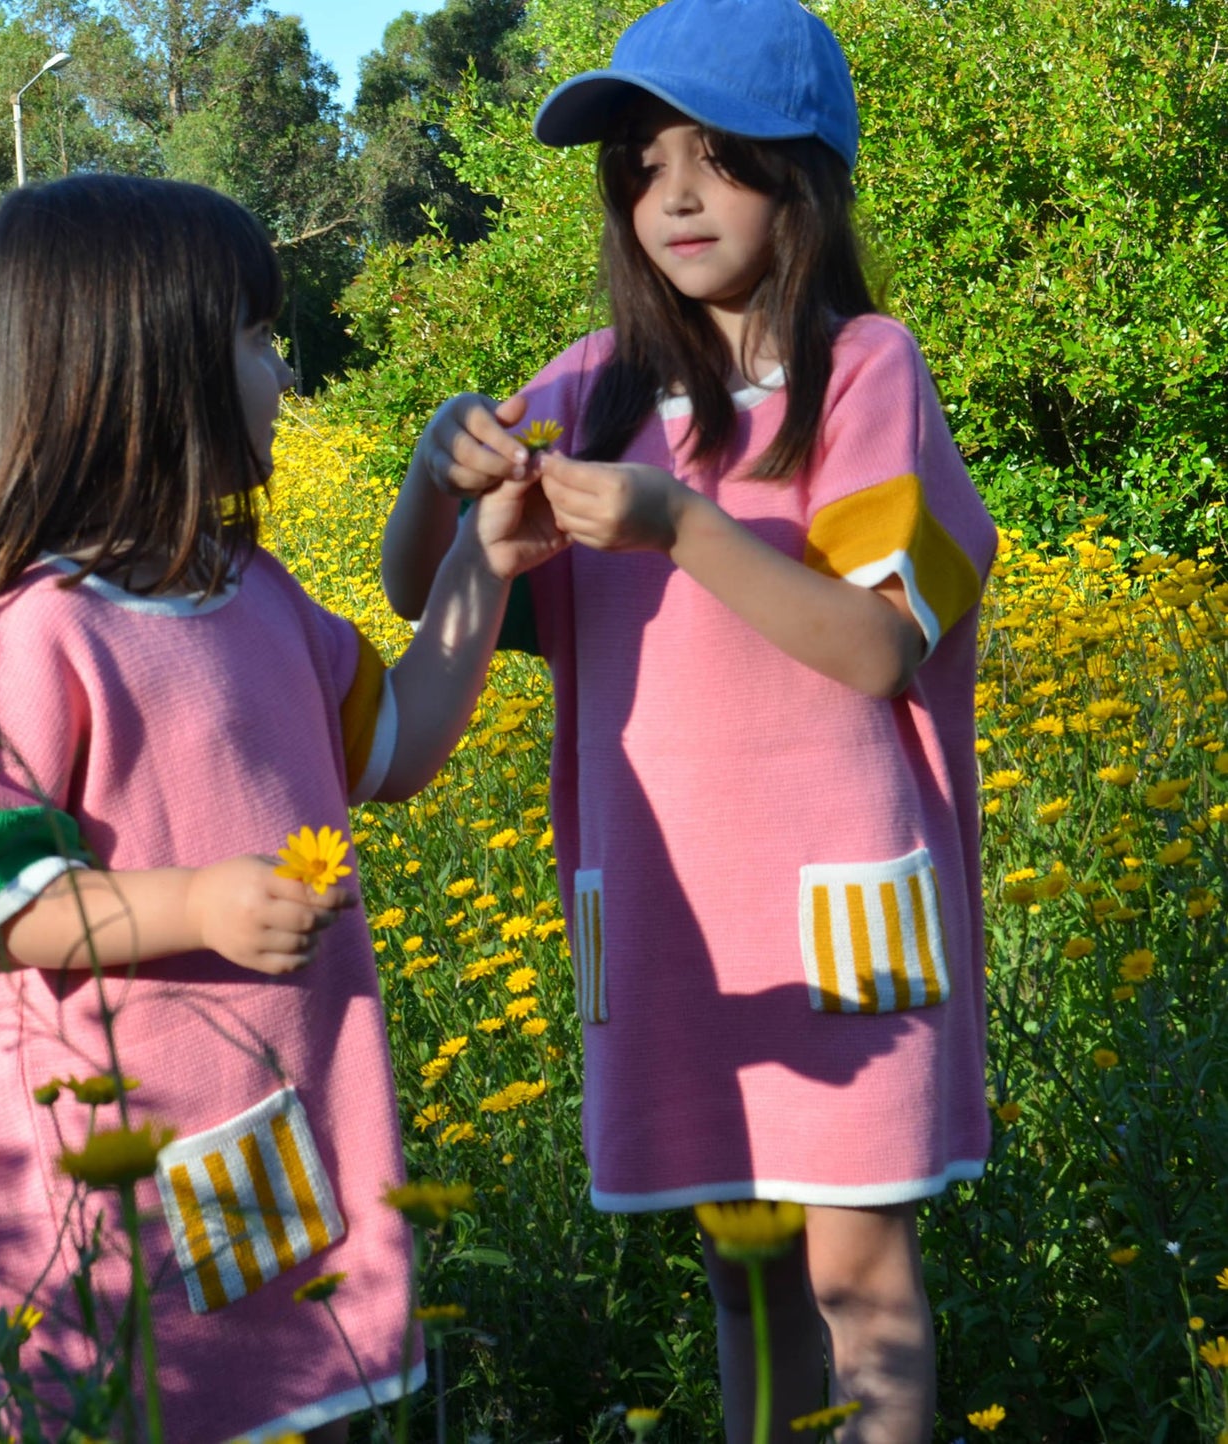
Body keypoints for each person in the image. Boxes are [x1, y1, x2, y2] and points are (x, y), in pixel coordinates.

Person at [380, 1, 998, 1439]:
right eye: (644, 161)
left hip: (838, 921)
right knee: (743, 1272)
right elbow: (429, 587)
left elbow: (873, 648)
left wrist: (681, 526)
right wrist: (432, 473)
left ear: (807, 182)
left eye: (716, 157)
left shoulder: (864, 373)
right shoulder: (586, 388)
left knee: (857, 1270)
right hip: (669, 922)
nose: (671, 192)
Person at [0, 174, 562, 1444]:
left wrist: (481, 558)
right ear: (140, 371)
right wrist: (196, 901)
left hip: (285, 1133)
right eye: (257, 339)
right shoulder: (24, 639)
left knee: (295, 1391)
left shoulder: (255, 595)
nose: (282, 371)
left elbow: (404, 738)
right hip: (119, 1185)